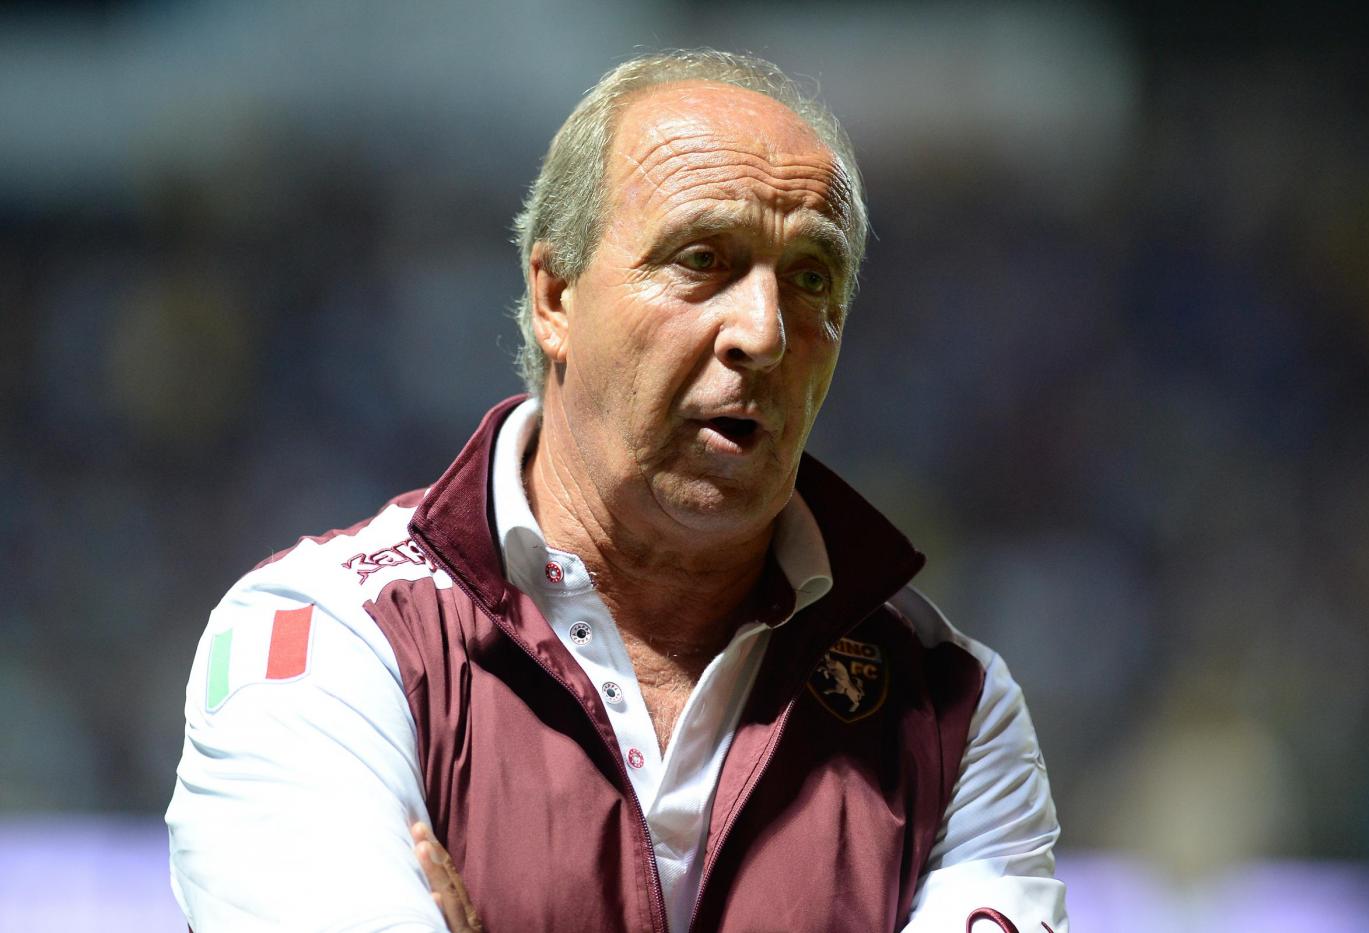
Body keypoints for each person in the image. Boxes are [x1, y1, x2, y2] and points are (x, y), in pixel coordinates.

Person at [166, 49, 1069, 933]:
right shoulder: (324, 637)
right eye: (702, 258)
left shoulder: (956, 711)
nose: (764, 332)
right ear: (555, 297)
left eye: (810, 278)